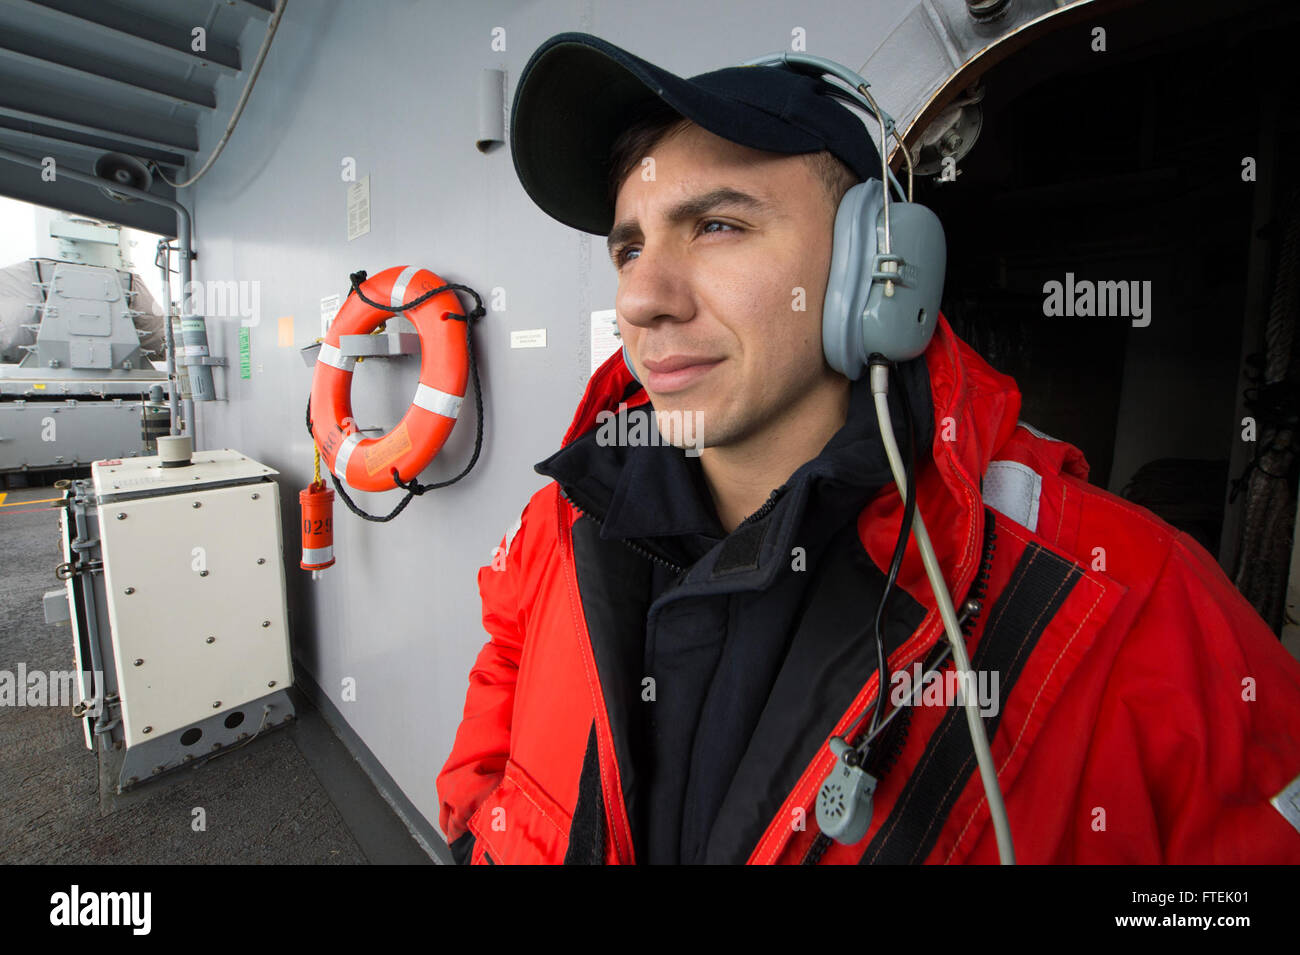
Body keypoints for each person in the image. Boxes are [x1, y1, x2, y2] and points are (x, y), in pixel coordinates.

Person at [435, 31, 1300, 864]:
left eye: (718, 226)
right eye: (630, 246)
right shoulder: (565, 519)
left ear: (879, 269)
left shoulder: (1136, 602)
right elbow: (501, 699)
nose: (643, 299)